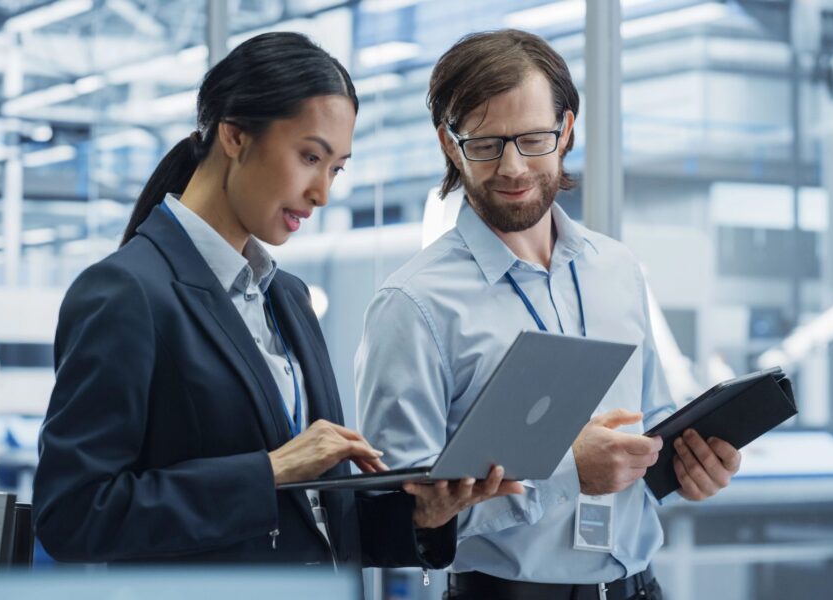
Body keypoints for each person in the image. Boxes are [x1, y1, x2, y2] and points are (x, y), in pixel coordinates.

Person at [32, 32, 519, 571]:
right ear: (235, 136)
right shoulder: (125, 293)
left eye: (336, 168)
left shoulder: (287, 297)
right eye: (310, 156)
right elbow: (73, 514)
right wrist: (270, 471)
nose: (322, 193)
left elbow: (309, 523)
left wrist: (425, 514)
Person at [355, 29, 743, 599]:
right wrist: (565, 474)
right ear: (449, 145)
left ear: (566, 131)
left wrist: (691, 467)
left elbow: (652, 421)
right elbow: (397, 512)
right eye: (486, 145)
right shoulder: (413, 304)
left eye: (533, 139)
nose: (513, 168)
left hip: (639, 589)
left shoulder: (617, 269)